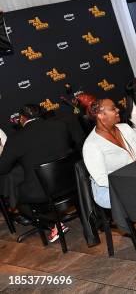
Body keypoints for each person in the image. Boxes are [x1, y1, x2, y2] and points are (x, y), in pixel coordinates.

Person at [82, 98, 136, 245]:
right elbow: (102, 180)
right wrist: (133, 182)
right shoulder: (91, 145)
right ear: (100, 115)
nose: (118, 110)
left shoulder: (125, 128)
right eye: (113, 108)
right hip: (109, 190)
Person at [0, 104, 83, 242]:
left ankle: (53, 224)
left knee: (13, 193)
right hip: (71, 182)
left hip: (44, 192)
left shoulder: (16, 139)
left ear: (21, 118)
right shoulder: (60, 126)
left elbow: (2, 168)